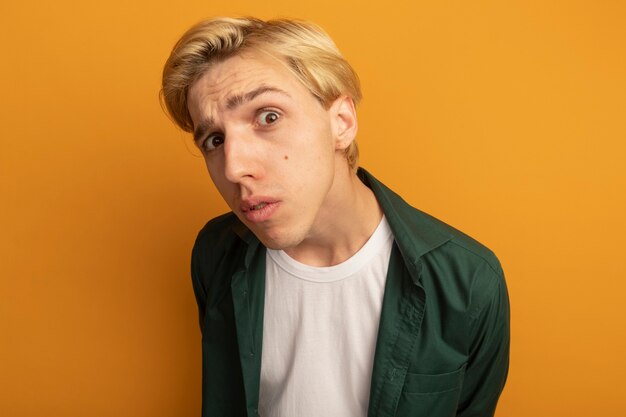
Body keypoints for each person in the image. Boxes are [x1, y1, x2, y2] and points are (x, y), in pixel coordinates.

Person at [160, 17, 510, 417]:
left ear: (341, 122)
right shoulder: (216, 253)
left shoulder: (467, 280)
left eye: (268, 116)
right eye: (214, 140)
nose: (233, 167)